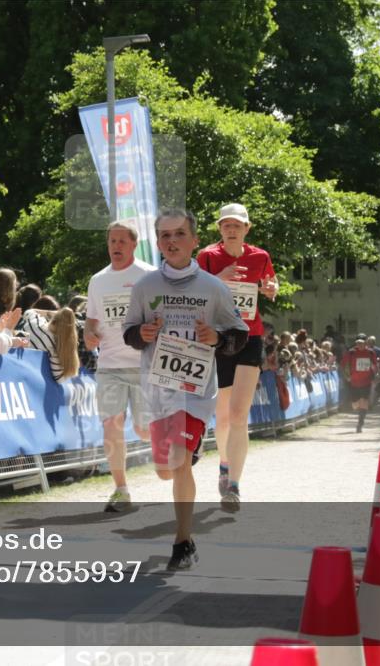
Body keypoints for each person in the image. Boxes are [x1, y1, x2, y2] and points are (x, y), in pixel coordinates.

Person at [123, 209, 248, 571]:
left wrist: (218, 338)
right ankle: (186, 457)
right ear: (158, 242)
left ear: (195, 241)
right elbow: (130, 330)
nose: (172, 241)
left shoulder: (212, 288)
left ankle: (182, 541)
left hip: (194, 392)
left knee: (178, 461)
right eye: (164, 235)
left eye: (179, 234)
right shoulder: (146, 287)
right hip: (158, 389)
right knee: (165, 469)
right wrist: (141, 334)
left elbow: (238, 334)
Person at [196, 203, 277, 512]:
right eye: (226, 225)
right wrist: (220, 277)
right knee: (225, 414)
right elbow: (194, 293)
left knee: (240, 414)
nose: (231, 229)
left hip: (250, 336)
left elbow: (270, 284)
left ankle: (233, 486)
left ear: (247, 228)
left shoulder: (260, 256)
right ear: (220, 229)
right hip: (218, 338)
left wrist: (271, 288)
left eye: (237, 225)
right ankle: (224, 462)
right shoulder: (206, 257)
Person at [84, 220, 155, 512]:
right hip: (110, 365)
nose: (115, 246)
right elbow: (92, 320)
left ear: (134, 244)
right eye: (111, 241)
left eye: (121, 241)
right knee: (111, 425)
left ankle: (178, 433)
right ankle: (121, 489)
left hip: (145, 365)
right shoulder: (98, 280)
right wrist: (89, 334)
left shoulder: (150, 276)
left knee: (144, 431)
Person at [21, 296, 80, 382]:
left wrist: (50, 313)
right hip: (31, 381)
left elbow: (29, 311)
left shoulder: (36, 322)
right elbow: (59, 379)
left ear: (54, 319)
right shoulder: (54, 346)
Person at [342, 334, 377, 432]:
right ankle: (360, 415)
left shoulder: (370, 352)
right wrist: (346, 376)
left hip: (366, 381)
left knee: (364, 403)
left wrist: (374, 371)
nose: (360, 345)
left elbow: (375, 365)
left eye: (362, 343)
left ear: (366, 343)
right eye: (358, 343)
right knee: (355, 404)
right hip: (354, 382)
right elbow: (343, 364)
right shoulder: (351, 352)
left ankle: (360, 423)